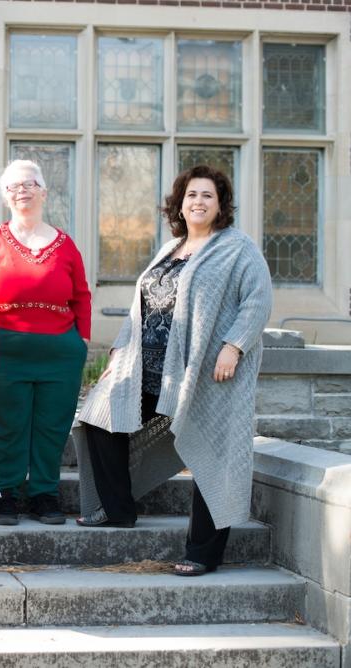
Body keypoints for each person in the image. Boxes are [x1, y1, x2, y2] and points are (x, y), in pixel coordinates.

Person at [73, 164, 272, 577]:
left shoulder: (237, 247)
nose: (198, 202)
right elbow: (139, 306)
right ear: (179, 204)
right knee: (99, 418)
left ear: (221, 206)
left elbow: (258, 300)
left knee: (210, 453)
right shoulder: (170, 248)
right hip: (149, 367)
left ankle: (203, 553)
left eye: (207, 196)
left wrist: (233, 347)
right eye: (191, 195)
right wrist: (116, 355)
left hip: (204, 371)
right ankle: (117, 508)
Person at [0, 159, 91, 526]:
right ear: (5, 197)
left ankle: (44, 494)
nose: (22, 191)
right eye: (13, 186)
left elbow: (82, 296)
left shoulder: (65, 244)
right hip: (5, 351)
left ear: (44, 191)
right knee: (7, 425)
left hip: (59, 353)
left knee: (52, 426)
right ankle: (5, 494)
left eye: (30, 184)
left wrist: (81, 343)